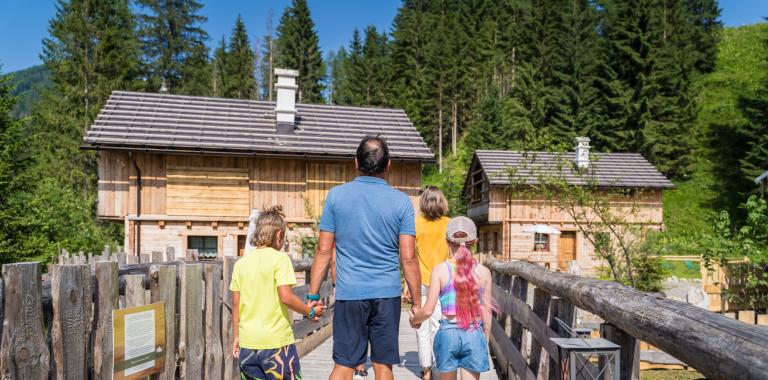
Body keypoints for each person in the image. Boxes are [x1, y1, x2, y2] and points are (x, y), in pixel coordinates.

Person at [307, 136, 423, 380]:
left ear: (356, 162)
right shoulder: (402, 202)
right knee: (383, 366)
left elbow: (324, 251)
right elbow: (409, 257)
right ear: (388, 164)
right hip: (386, 294)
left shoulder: (336, 197)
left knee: (345, 364)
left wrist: (312, 295)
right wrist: (417, 303)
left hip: (350, 294)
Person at [230, 205, 325, 380]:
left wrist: (237, 336)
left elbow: (236, 304)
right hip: (276, 345)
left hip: (248, 344)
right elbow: (286, 297)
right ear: (279, 235)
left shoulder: (241, 264)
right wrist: (310, 311)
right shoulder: (280, 260)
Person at [409, 216, 494, 380]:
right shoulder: (484, 272)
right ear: (475, 241)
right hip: (473, 332)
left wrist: (415, 320)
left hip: (448, 333)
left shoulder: (440, 270)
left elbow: (427, 310)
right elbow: (487, 312)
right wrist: (485, 339)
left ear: (447, 241)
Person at [413, 186, 451, 380]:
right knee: (437, 324)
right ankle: (438, 366)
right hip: (443, 281)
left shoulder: (417, 224)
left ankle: (425, 369)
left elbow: (411, 256)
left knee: (420, 324)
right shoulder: (449, 224)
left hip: (420, 280)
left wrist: (406, 284)